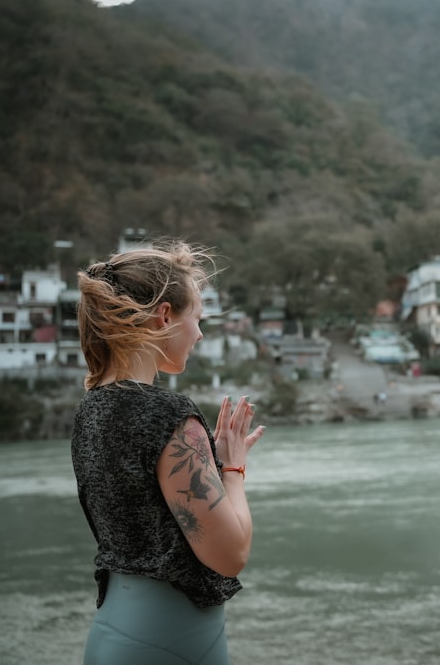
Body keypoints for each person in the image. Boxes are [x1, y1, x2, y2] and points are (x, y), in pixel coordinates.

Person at [70, 240, 265, 665]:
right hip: (174, 644)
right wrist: (232, 467)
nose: (199, 332)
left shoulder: (90, 413)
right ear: (164, 316)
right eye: (196, 318)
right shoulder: (167, 414)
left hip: (111, 631)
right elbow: (230, 555)